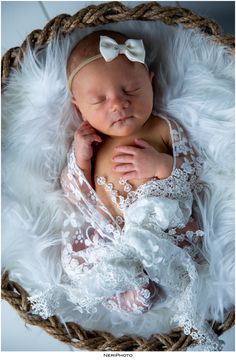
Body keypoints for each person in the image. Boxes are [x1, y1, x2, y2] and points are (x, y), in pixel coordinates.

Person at [60, 30, 204, 316]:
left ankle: (153, 286)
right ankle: (126, 295)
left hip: (158, 227)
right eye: (99, 100)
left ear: (150, 84)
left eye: (131, 90)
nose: (118, 103)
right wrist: (81, 158)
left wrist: (160, 165)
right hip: (108, 233)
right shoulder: (92, 141)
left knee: (178, 248)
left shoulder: (163, 127)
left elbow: (192, 172)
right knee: (81, 258)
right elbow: (75, 194)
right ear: (79, 108)